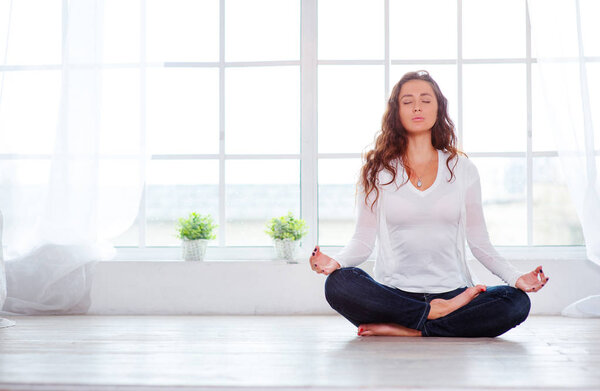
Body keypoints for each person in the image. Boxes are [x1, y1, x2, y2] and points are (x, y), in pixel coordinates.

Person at [309, 70, 549, 338]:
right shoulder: (378, 171)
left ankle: (411, 329)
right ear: (396, 111)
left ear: (438, 109)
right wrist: (336, 263)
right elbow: (363, 241)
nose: (417, 107)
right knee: (339, 283)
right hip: (395, 294)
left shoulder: (463, 169)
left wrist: (516, 278)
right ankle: (429, 318)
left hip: (454, 293)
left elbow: (480, 242)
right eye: (407, 101)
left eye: (425, 100)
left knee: (515, 302)